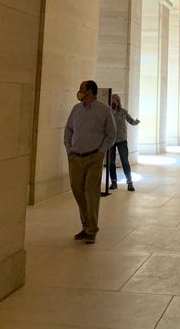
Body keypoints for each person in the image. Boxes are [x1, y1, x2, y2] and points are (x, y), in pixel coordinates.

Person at [64, 80, 116, 243]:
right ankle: (86, 225)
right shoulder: (76, 109)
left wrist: (101, 152)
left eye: (82, 89)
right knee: (77, 190)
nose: (79, 91)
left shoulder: (104, 110)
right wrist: (69, 150)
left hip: (94, 157)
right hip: (75, 157)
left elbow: (111, 134)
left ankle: (91, 229)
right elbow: (69, 130)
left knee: (91, 193)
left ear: (90, 91)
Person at [109, 93, 140, 191]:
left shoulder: (123, 112)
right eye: (112, 100)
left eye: (115, 100)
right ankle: (114, 182)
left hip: (122, 139)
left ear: (118, 102)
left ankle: (129, 182)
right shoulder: (108, 112)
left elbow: (130, 120)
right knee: (111, 162)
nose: (113, 102)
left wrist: (135, 122)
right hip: (111, 140)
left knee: (125, 161)